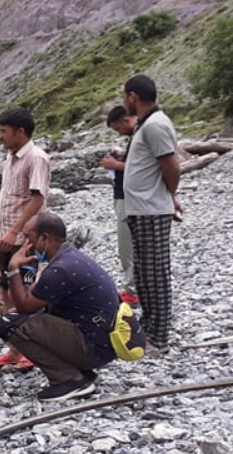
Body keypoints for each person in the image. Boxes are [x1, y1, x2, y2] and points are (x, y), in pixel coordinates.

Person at [2, 213, 120, 401]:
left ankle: (69, 380)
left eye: (28, 238)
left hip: (93, 347)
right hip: (103, 341)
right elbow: (36, 296)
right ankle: (82, 373)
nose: (26, 244)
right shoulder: (70, 256)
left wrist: (13, 268)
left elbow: (23, 306)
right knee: (34, 314)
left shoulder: (60, 269)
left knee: (10, 324)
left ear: (44, 238)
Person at [0, 107, 51, 372]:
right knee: (5, 288)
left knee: (25, 291)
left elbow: (37, 199)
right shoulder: (10, 157)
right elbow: (7, 199)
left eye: (3, 131)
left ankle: (30, 348)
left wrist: (14, 231)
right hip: (7, 236)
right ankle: (15, 347)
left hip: (24, 239)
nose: (0, 137)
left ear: (20, 132)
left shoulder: (36, 158)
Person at [121, 74, 183, 349]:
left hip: (151, 209)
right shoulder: (146, 124)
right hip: (141, 207)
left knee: (155, 270)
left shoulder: (156, 125)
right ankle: (149, 324)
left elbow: (170, 164)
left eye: (125, 96)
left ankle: (159, 333)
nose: (124, 102)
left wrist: (170, 196)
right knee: (145, 270)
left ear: (133, 96)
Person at [98, 106, 140, 306]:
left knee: (127, 247)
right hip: (124, 195)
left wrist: (115, 165)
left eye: (117, 128)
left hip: (128, 198)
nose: (119, 133)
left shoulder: (142, 134)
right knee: (129, 245)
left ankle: (133, 290)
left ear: (125, 121)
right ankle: (135, 287)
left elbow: (141, 168)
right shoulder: (137, 136)